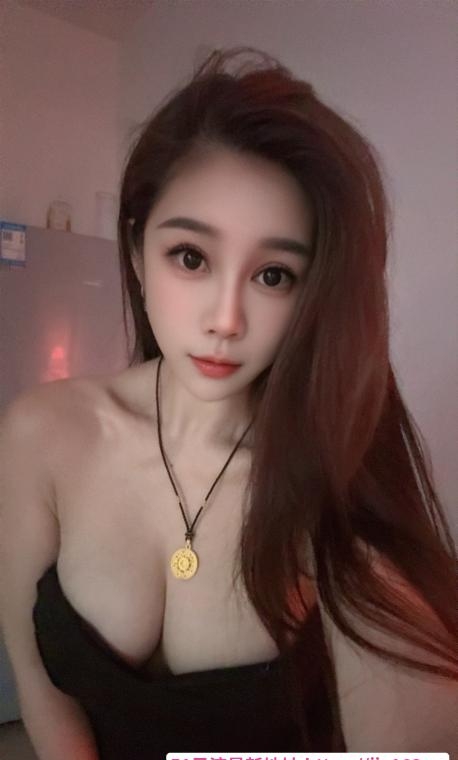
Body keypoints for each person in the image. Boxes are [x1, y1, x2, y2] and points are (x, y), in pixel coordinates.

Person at [0, 46, 457, 760]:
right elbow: (42, 695)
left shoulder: (329, 485)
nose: (226, 319)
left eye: (274, 275)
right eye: (191, 257)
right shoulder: (41, 434)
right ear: (137, 253)